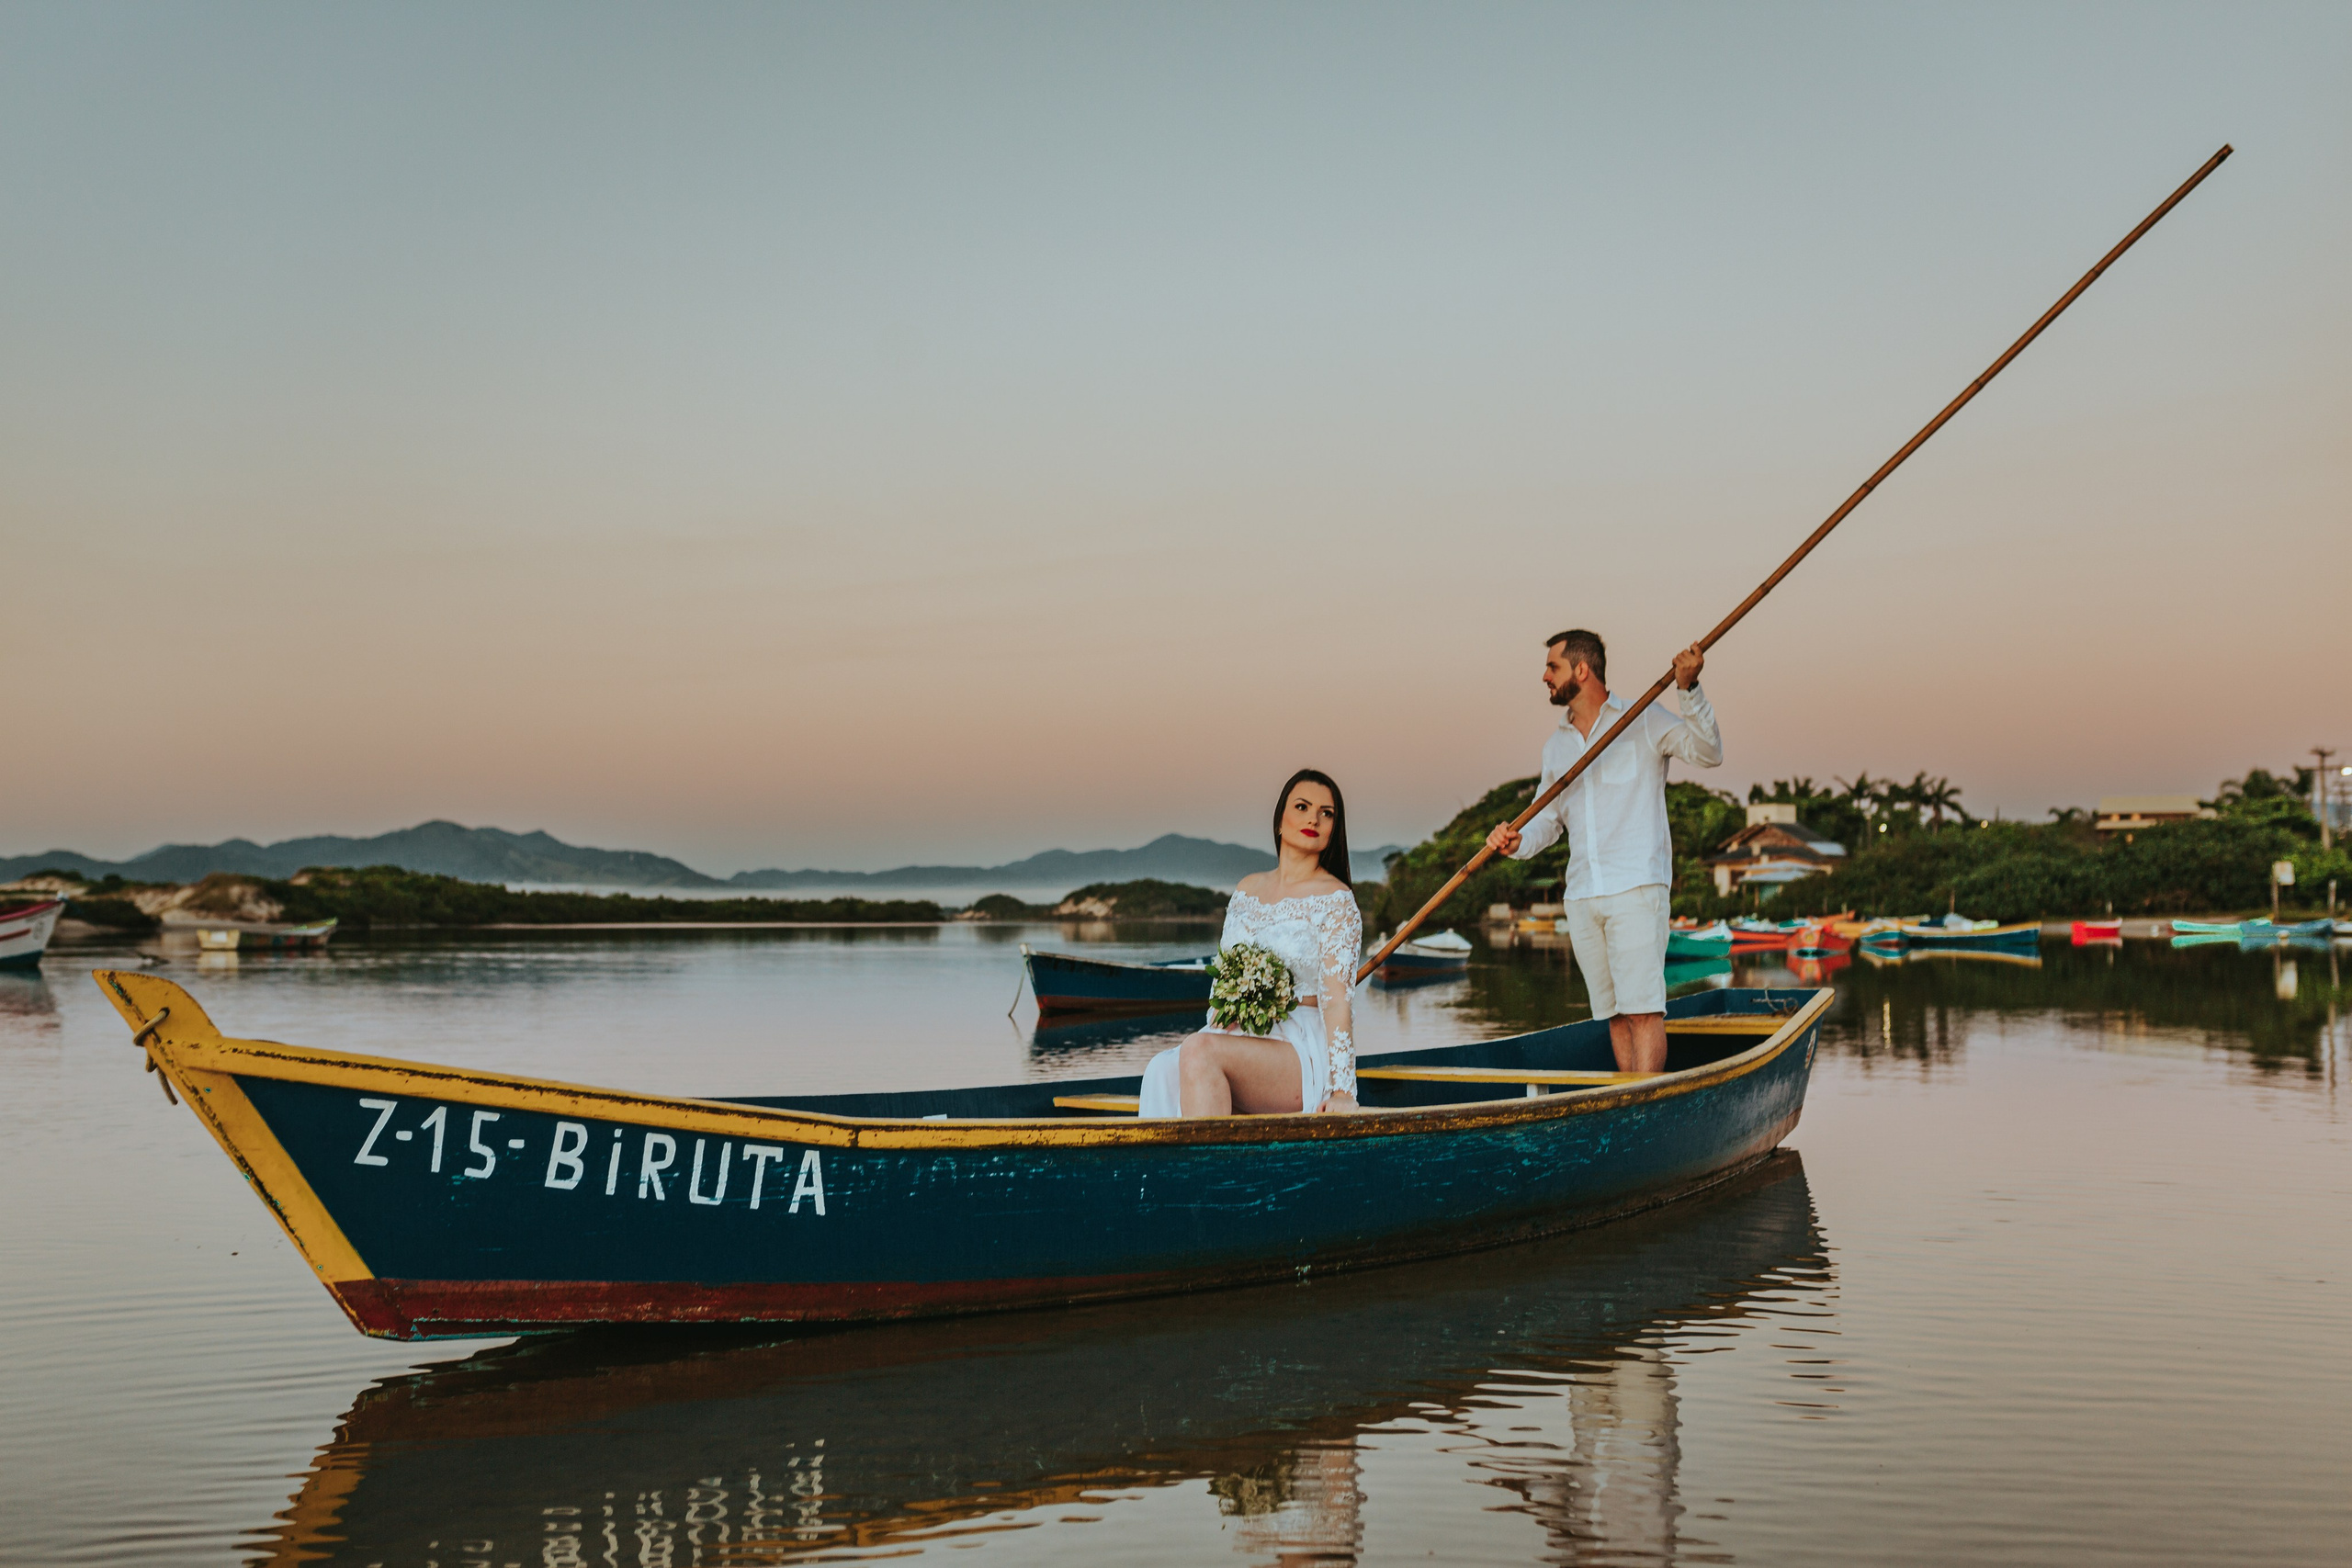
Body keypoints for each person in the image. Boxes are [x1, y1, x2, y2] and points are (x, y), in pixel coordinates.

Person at [1484, 630, 1720, 1074]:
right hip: (1583, 896)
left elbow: (1709, 752)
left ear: (1581, 669)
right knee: (1612, 1015)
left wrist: (1688, 689)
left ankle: (1645, 1112)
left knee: (1643, 1010)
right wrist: (1517, 842)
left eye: (1552, 667)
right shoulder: (1556, 746)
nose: (1544, 677)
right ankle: (1627, 1105)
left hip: (1635, 888)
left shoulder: (1643, 718)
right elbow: (1548, 822)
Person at [1138, 769, 1364, 1117]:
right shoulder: (1247, 890)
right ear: (1280, 820)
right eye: (1302, 807)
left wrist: (1343, 1091)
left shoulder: (1335, 899)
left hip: (1300, 1048)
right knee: (1162, 1067)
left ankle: (1211, 1169)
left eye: (1327, 813)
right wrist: (1228, 1013)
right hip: (1243, 1032)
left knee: (1199, 1051)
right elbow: (1222, 979)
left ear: (1334, 829)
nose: (1314, 819)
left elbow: (1336, 1004)